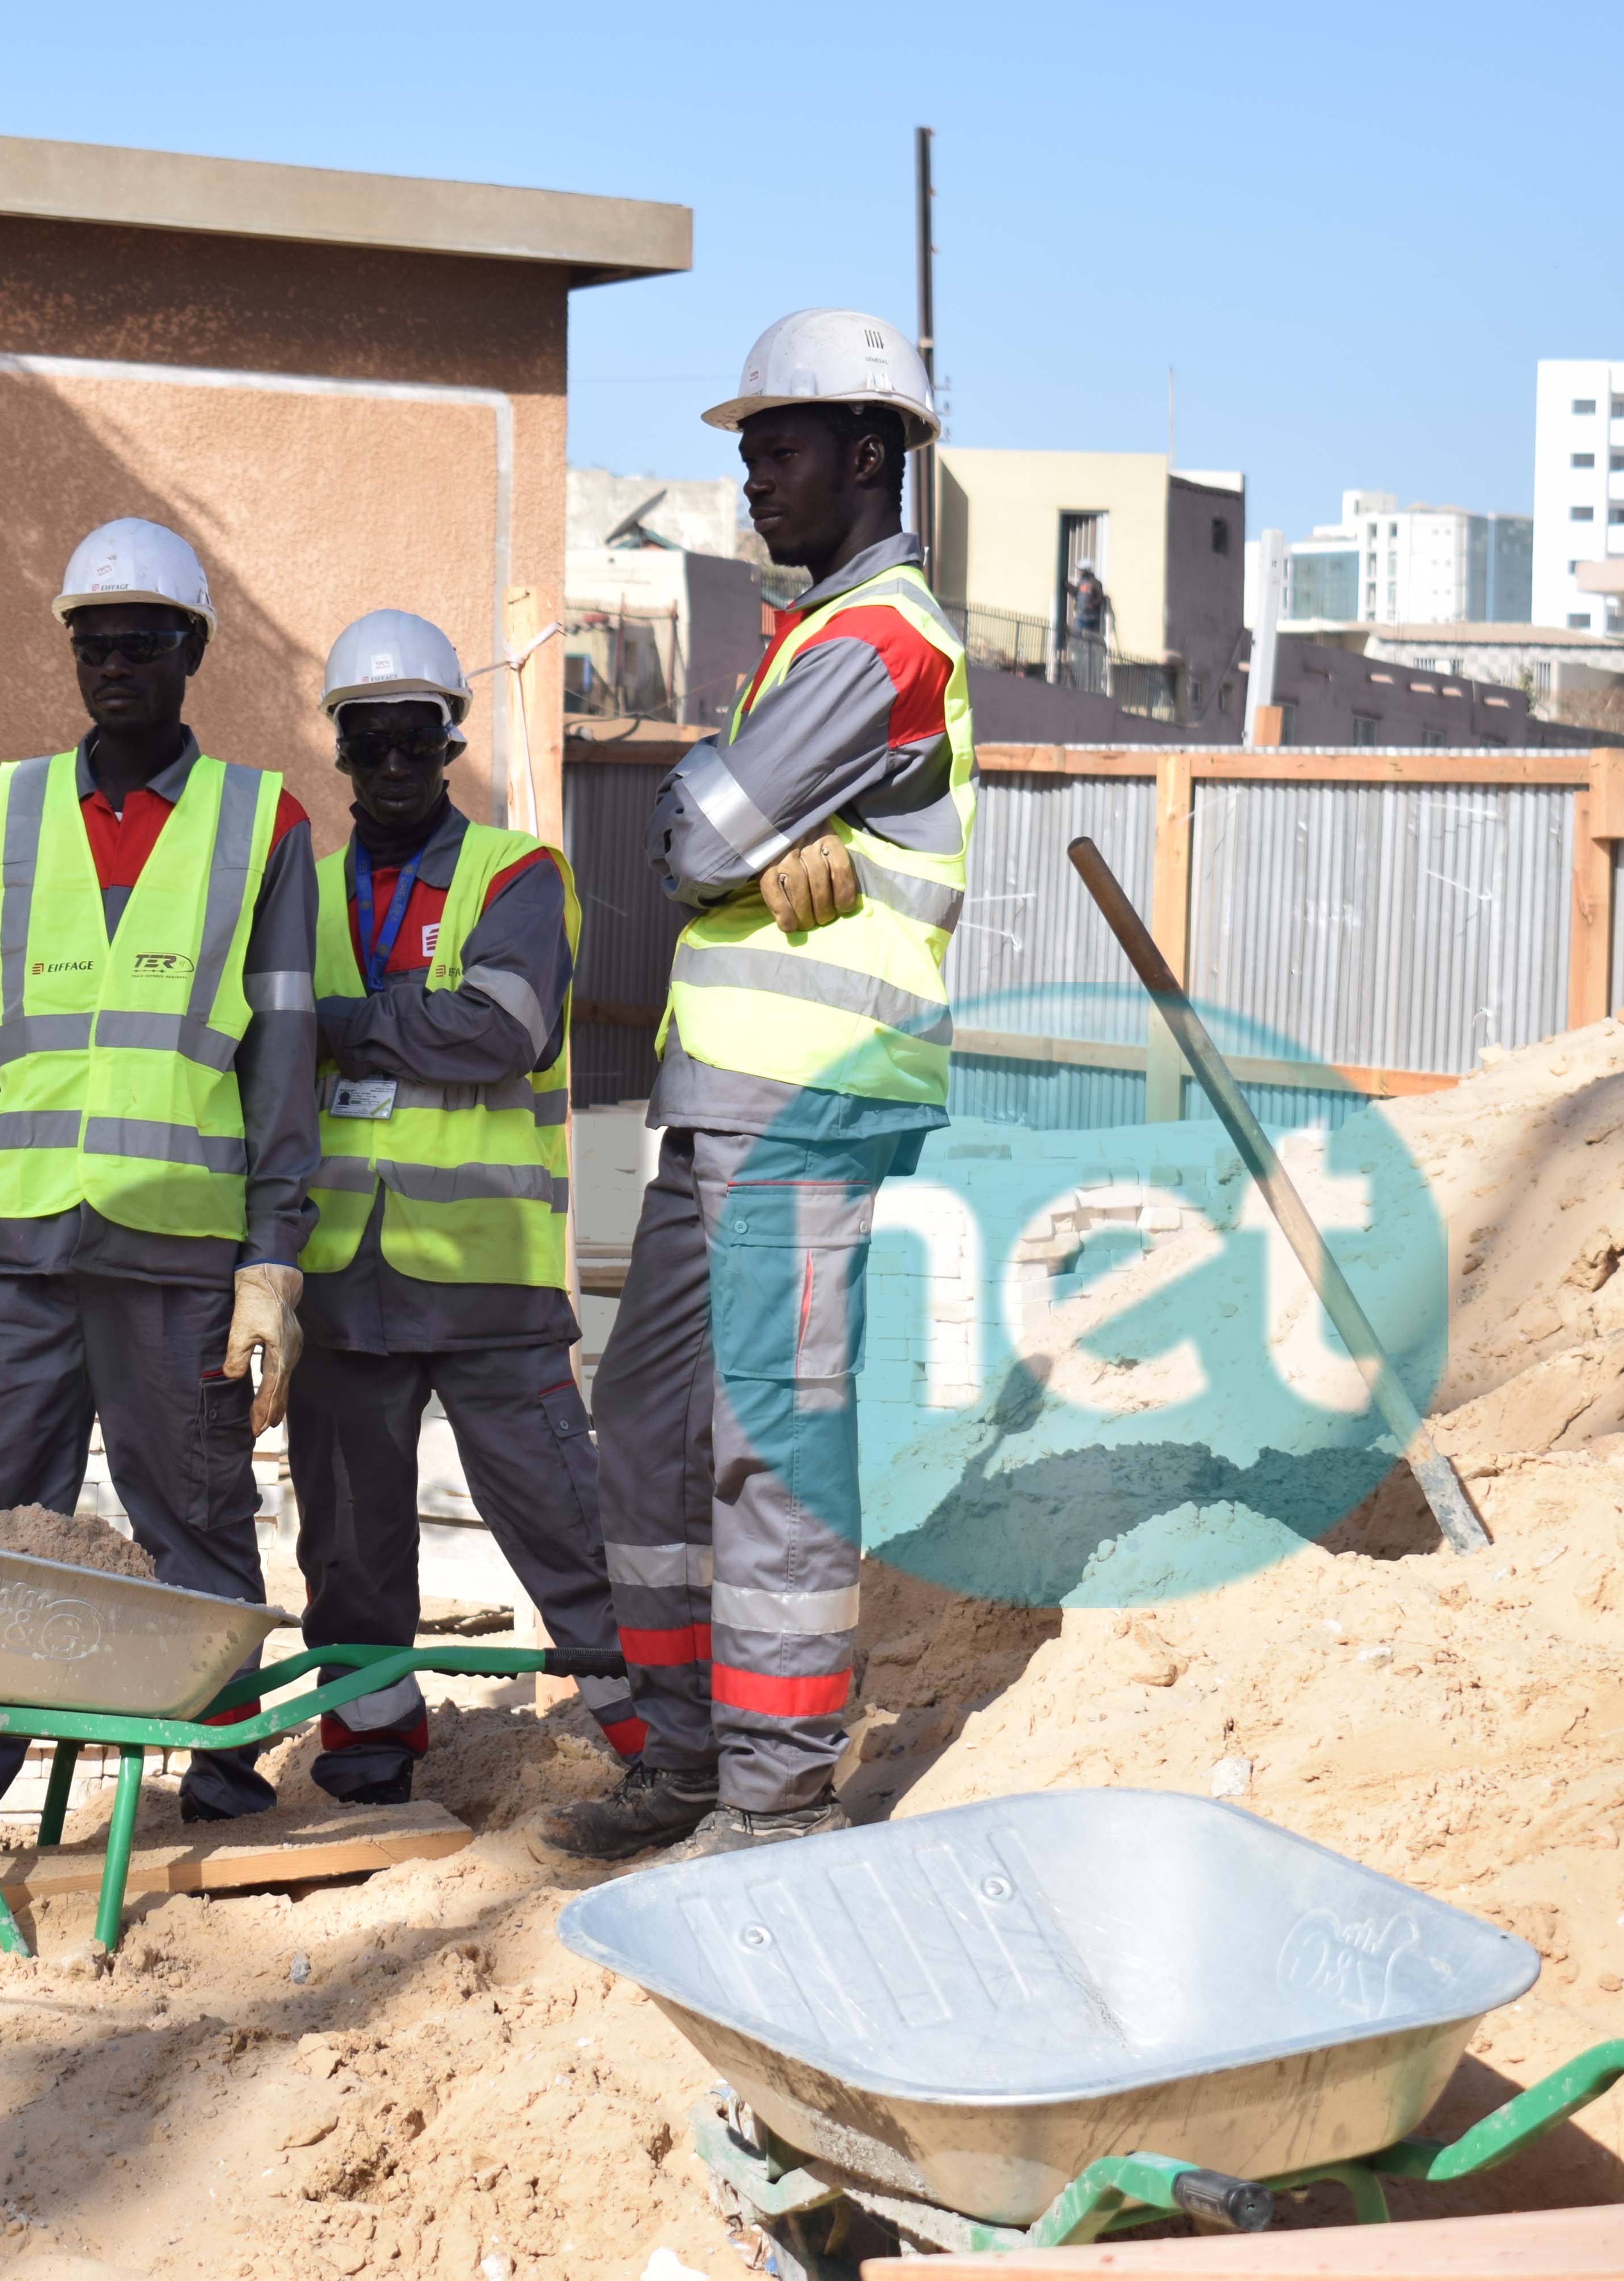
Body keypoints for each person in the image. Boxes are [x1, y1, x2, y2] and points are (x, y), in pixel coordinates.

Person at [535, 309, 973, 1866]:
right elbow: (692, 835)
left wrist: (733, 829)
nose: (750, 485)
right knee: (648, 1426)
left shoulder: (883, 641)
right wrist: (727, 825)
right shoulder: (812, 642)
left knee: (770, 1447)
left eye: (774, 450)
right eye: (742, 457)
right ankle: (683, 1760)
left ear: (869, 450)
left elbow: (696, 846)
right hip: (716, 1107)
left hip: (810, 1107)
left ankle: (776, 1799)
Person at [0, 516, 319, 1844]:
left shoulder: (263, 821)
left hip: (179, 1258)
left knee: (195, 1525)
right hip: (17, 1250)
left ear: (192, 651)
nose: (115, 663)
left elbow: (286, 1054)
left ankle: (226, 1781)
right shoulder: (6, 808)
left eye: (142, 641)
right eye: (93, 642)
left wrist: (272, 1262)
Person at [286, 608, 643, 1805]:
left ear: (451, 743)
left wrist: (337, 1025)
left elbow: (502, 1030)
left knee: (565, 1520)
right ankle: (370, 1736)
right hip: (341, 1282)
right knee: (345, 1543)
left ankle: (651, 1722)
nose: (391, 762)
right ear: (340, 747)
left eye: (413, 738)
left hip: (488, 1279)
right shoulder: (304, 895)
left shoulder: (516, 875)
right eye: (368, 740)